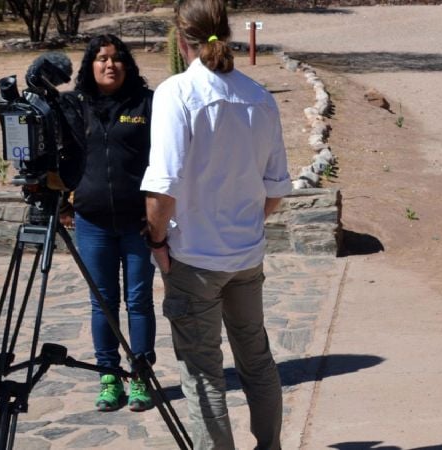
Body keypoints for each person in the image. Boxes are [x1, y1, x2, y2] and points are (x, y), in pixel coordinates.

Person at [140, 0, 292, 447]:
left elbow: (163, 188)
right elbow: (276, 188)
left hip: (194, 258)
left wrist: (158, 240)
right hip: (246, 257)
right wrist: (247, 222)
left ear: (179, 38)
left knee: (203, 373)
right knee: (257, 359)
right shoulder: (258, 97)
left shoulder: (176, 93)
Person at [58, 34, 157, 412]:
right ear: (90, 65)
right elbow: (58, 156)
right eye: (101, 59)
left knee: (138, 301)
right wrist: (63, 205)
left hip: (138, 224)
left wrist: (159, 215)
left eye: (117, 59)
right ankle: (109, 378)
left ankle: (140, 377)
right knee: (102, 302)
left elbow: (164, 160)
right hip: (92, 222)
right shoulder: (73, 106)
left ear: (128, 65)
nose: (110, 65)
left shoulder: (145, 103)